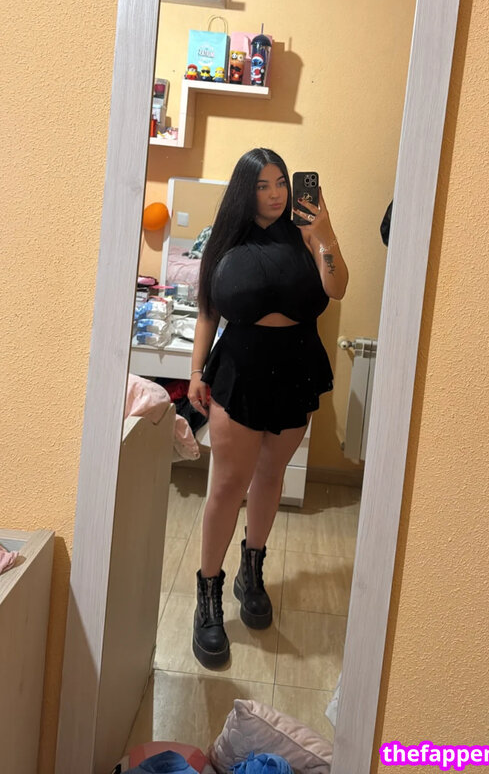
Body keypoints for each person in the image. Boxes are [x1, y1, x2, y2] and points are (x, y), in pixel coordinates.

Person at [188, 147, 348, 669]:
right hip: (240, 369)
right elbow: (208, 312)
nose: (276, 193)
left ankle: (250, 571)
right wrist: (196, 371)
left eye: (281, 182)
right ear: (245, 190)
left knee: (270, 476)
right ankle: (208, 594)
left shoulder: (307, 234)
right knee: (227, 485)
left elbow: (337, 288)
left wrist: (324, 234)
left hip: (296, 365)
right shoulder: (226, 239)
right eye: (263, 185)